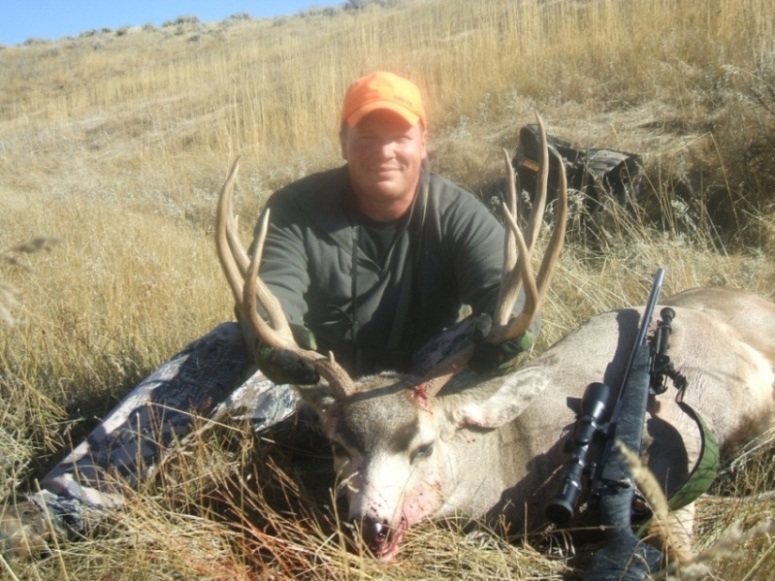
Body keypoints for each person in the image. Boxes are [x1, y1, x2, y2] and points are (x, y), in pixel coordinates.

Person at [0, 71, 538, 559]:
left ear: (424, 141)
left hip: (417, 395)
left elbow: (505, 294)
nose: (383, 152)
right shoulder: (296, 208)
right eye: (366, 137)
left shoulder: (456, 213)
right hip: (317, 392)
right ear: (344, 142)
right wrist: (290, 357)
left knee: (491, 329)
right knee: (230, 343)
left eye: (399, 136)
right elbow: (267, 298)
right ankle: (59, 508)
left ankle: (430, 488)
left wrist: (504, 335)